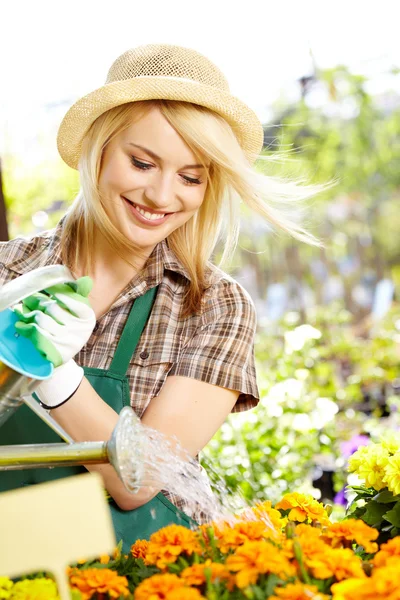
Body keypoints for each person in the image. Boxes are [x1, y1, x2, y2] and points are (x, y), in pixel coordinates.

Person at [0, 44, 319, 551]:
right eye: (143, 163)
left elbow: (139, 481)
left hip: (134, 574)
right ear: (97, 149)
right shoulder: (7, 273)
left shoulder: (213, 307)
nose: (162, 196)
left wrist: (53, 372)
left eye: (191, 177)